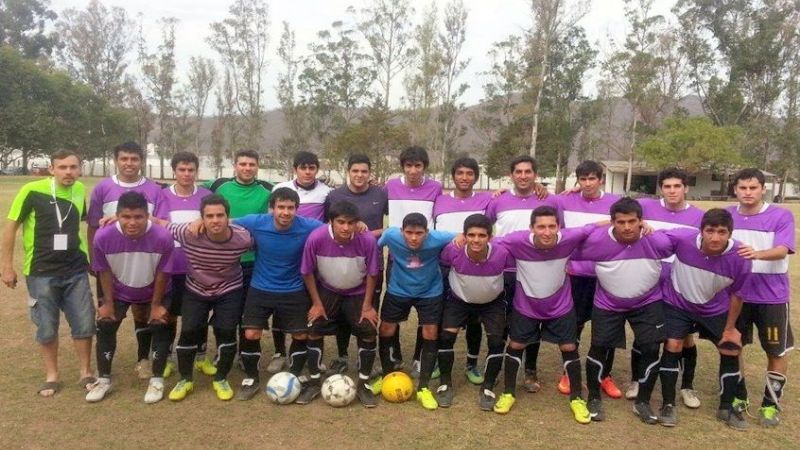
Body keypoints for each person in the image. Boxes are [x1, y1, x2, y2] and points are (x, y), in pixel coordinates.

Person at [2, 149, 96, 397]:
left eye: (73, 167)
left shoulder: (79, 191)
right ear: (52, 169)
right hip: (41, 271)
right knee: (46, 326)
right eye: (63, 167)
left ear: (79, 169)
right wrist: (7, 267)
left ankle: (86, 372)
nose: (68, 172)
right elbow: (11, 227)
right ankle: (52, 376)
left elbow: (82, 226)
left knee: (84, 323)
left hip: (75, 270)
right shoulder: (31, 191)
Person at [573, 197, 673, 423]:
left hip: (648, 302)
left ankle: (643, 402)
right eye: (621, 222)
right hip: (608, 303)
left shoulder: (657, 240)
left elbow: (685, 241)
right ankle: (595, 398)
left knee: (650, 349)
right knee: (599, 347)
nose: (627, 227)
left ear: (641, 221)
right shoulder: (596, 241)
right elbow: (566, 244)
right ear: (612, 222)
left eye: (632, 221)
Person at [494, 206, 595, 422]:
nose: (547, 232)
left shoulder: (570, 237)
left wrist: (641, 224)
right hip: (526, 305)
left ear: (559, 227)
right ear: (531, 228)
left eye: (552, 226)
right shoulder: (516, 241)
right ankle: (508, 393)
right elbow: (487, 242)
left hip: (560, 305)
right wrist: (461, 238)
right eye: (541, 227)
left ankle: (577, 399)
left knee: (569, 347)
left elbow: (594, 227)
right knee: (516, 345)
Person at [656, 209, 752, 429]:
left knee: (730, 348)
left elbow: (738, 295)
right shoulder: (682, 238)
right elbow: (653, 236)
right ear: (701, 231)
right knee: (673, 345)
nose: (715, 237)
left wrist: (730, 328)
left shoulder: (741, 257)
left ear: (730, 233)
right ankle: (668, 404)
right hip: (677, 303)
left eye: (722, 232)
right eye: (710, 231)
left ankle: (726, 407)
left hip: (713, 308)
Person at [154, 195, 253, 401]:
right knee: (189, 331)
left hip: (229, 289)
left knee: (226, 331)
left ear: (228, 217)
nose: (215, 220)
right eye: (209, 216)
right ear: (202, 218)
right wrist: (117, 220)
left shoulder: (243, 238)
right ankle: (185, 379)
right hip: (196, 289)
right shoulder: (188, 233)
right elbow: (160, 223)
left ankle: (220, 378)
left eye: (220, 215)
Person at [233, 187, 323, 402]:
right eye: (280, 207)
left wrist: (356, 225)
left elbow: (333, 230)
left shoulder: (307, 226)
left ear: (297, 210)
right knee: (251, 334)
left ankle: (294, 375)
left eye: (290, 208)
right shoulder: (257, 222)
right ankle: (251, 378)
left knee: (301, 335)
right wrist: (199, 222)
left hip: (293, 289)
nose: (285, 212)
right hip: (260, 287)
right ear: (271, 208)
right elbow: (225, 221)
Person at [86, 192, 174, 403]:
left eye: (138, 217)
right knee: (106, 323)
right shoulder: (103, 236)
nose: (132, 222)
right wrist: (107, 303)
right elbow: (104, 271)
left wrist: (155, 305)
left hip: (155, 289)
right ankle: (104, 379)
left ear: (147, 215)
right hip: (119, 289)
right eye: (126, 217)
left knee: (160, 323)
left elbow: (163, 273)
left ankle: (157, 379)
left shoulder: (162, 236)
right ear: (117, 216)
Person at [87, 141, 164, 380]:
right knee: (108, 314)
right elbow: (92, 226)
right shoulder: (103, 188)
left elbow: (160, 223)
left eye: (134, 159)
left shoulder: (154, 190)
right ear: (116, 160)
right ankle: (104, 373)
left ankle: (143, 359)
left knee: (142, 313)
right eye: (124, 159)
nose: (129, 163)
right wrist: (93, 258)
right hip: (112, 262)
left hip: (143, 261)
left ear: (141, 161)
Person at [204, 150, 284, 372]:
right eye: (243, 164)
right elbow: (187, 189)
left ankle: (246, 355)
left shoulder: (268, 190)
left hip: (253, 262)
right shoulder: (218, 185)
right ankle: (223, 352)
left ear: (258, 166)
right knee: (225, 312)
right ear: (235, 166)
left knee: (248, 313)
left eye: (252, 164)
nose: (247, 168)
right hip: (223, 261)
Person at [727, 168, 795, 427]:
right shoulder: (729, 216)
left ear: (762, 188)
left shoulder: (780, 215)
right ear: (735, 189)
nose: (747, 192)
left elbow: (782, 250)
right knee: (734, 346)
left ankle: (770, 404)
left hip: (772, 297)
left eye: (753, 188)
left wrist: (756, 254)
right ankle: (739, 397)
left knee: (776, 350)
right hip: (737, 296)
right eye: (742, 188)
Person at [632, 167, 705, 405]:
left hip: (682, 286)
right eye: (667, 186)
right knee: (646, 334)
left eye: (677, 186)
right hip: (650, 282)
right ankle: (637, 380)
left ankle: (687, 386)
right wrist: (576, 189)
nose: (672, 191)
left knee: (684, 338)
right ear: (660, 188)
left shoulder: (699, 216)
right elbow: (613, 209)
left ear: (686, 188)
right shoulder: (644, 207)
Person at [486, 155, 557, 393]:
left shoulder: (547, 201)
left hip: (536, 273)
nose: (523, 176)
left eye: (528, 172)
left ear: (535, 175)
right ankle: (495, 368)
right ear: (511, 174)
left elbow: (561, 232)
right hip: (504, 271)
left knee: (532, 322)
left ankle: (530, 370)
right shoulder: (498, 200)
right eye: (519, 172)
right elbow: (484, 230)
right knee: (501, 323)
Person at [301, 200, 381, 407]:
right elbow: (307, 272)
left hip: (358, 291)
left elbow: (373, 274)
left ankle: (363, 384)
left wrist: (367, 306)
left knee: (368, 329)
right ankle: (314, 380)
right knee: (315, 327)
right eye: (341, 222)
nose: (346, 227)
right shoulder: (316, 237)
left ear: (357, 223)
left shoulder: (367, 240)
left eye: (351, 223)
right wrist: (317, 303)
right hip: (328, 290)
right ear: (331, 221)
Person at [376, 213, 458, 410]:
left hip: (430, 292)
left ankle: (423, 387)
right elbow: (374, 243)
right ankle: (387, 375)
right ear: (402, 231)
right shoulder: (391, 236)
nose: (414, 238)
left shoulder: (438, 238)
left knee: (430, 332)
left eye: (419, 233)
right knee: (386, 329)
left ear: (427, 232)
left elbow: (463, 235)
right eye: (409, 233)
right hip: (398, 290)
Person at [555, 160, 622, 398]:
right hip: (575, 274)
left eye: (592, 178)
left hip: (607, 274)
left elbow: (631, 220)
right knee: (574, 324)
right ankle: (569, 371)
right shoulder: (563, 200)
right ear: (578, 180)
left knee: (607, 328)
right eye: (583, 179)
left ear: (601, 179)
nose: (587, 183)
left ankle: (604, 374)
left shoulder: (616, 202)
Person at [436, 214, 509, 410]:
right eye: (471, 235)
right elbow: (441, 268)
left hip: (491, 303)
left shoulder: (502, 253)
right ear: (464, 235)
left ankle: (488, 387)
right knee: (445, 337)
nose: (476, 240)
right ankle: (445, 383)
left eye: (482, 235)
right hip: (459, 301)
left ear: (490, 237)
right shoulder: (453, 250)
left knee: (496, 341)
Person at [324, 154, 388, 375]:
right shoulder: (334, 195)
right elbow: (328, 225)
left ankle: (366, 360)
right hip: (341, 263)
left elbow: (394, 225)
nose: (359, 175)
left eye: (364, 171)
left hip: (372, 263)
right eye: (355, 171)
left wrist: (370, 234)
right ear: (348, 171)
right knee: (342, 313)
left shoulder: (381, 193)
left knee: (369, 312)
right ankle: (342, 356)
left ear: (370, 173)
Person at [384, 147, 443, 375]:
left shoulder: (435, 188)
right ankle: (394, 354)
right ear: (402, 167)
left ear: (424, 167)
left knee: (426, 310)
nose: (413, 170)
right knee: (393, 310)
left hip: (426, 256)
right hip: (398, 256)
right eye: (408, 165)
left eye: (417, 165)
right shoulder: (391, 186)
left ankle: (420, 357)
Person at [154, 151, 213, 378]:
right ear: (174, 171)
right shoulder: (162, 196)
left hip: (197, 268)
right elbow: (158, 227)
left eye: (191, 170)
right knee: (167, 314)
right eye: (182, 170)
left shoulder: (206, 196)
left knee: (197, 315)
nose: (187, 174)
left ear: (196, 172)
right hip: (169, 267)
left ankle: (200, 356)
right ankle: (166, 357)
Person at [433, 158, 492, 386]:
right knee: (443, 317)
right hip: (443, 266)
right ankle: (439, 359)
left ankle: (471, 363)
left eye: (469, 173)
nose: (464, 177)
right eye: (460, 173)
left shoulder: (487, 200)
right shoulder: (438, 201)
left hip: (474, 268)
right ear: (453, 175)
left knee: (474, 318)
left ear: (476, 177)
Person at [273, 151, 332, 222]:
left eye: (311, 168)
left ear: (317, 170)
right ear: (295, 170)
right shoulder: (280, 188)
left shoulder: (327, 190)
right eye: (303, 168)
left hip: (315, 232)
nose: (307, 172)